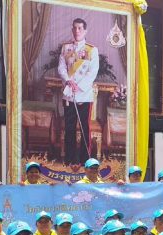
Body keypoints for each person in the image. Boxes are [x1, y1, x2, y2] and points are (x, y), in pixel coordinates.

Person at [58, 18, 99, 166]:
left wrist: (79, 86)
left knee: (84, 129)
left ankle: (85, 160)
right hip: (69, 94)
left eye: (80, 28)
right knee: (69, 128)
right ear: (72, 30)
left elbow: (92, 72)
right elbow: (61, 67)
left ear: (85, 31)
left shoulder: (92, 50)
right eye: (75, 28)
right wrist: (68, 80)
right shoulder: (66, 48)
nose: (77, 31)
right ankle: (70, 159)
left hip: (84, 95)